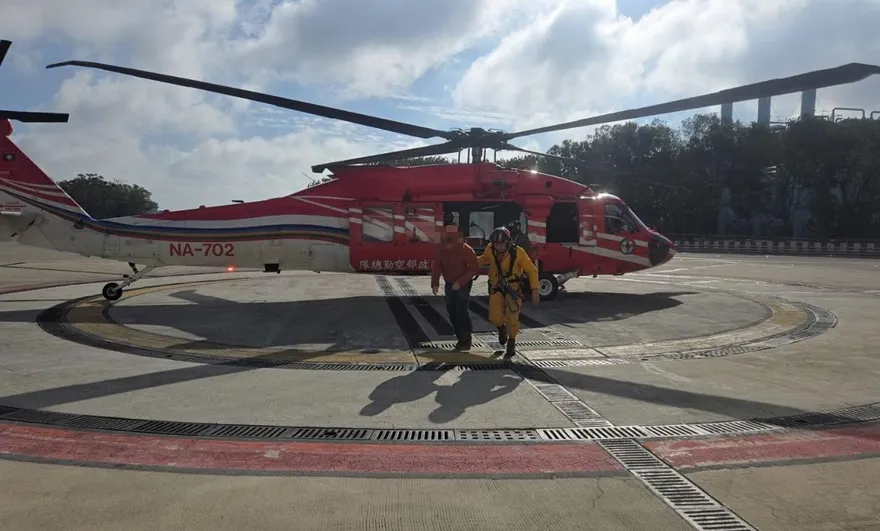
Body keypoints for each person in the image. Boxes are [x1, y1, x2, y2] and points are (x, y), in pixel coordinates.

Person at [477, 226, 540, 359]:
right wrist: (469, 262)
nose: (498, 246)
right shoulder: (490, 249)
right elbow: (483, 259)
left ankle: (511, 341)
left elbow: (531, 270)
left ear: (508, 242)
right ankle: (501, 328)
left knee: (512, 317)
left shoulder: (519, 253)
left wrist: (535, 290)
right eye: (496, 244)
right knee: (494, 316)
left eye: (501, 244)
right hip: (497, 287)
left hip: (513, 288)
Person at [430, 223, 479, 351]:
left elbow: (473, 269)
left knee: (461, 310)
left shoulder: (466, 249)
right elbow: (437, 266)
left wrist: (461, 282)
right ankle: (460, 338)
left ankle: (466, 339)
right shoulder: (442, 249)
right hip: (449, 283)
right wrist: (435, 283)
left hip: (463, 283)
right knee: (451, 311)